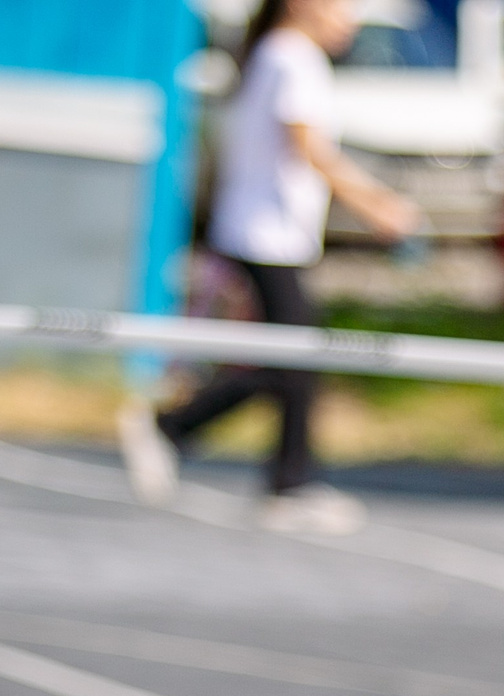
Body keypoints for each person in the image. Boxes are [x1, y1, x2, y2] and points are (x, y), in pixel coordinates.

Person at [117, 0, 419, 535]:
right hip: (264, 235)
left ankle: (180, 430)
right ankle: (281, 481)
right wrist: (376, 204)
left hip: (272, 234)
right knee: (296, 360)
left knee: (288, 360)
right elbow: (311, 148)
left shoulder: (282, 56)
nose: (349, 18)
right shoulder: (289, 57)